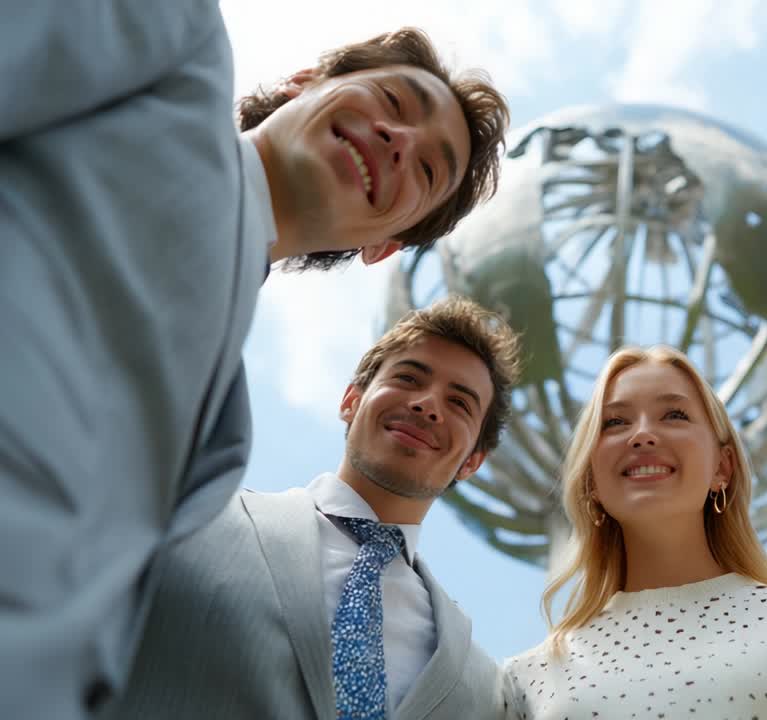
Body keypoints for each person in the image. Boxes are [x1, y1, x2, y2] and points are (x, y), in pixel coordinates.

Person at [0, 6, 508, 715]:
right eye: (393, 101)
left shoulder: (213, 439)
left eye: (427, 169)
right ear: (304, 80)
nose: (399, 141)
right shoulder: (172, 50)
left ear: (386, 244)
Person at [106, 296, 521, 719]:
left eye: (459, 403)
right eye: (409, 378)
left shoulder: (483, 685)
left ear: (472, 462)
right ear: (351, 401)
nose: (427, 404)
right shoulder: (191, 518)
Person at [503, 345, 767, 720]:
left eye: (674, 415)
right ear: (591, 481)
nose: (643, 435)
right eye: (615, 422)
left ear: (722, 467)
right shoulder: (527, 681)